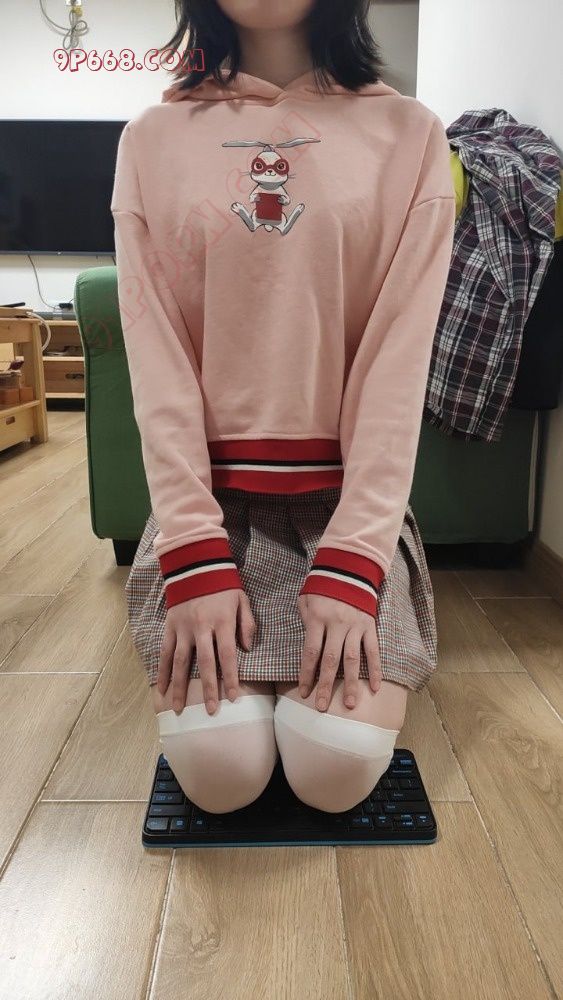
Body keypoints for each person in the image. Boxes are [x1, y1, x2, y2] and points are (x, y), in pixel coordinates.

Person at [110, 0, 456, 815]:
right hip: (209, 514)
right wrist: (193, 556)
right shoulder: (151, 139)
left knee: (332, 776)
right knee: (221, 777)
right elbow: (156, 362)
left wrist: (356, 558)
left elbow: (397, 363)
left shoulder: (409, 134)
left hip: (347, 514)